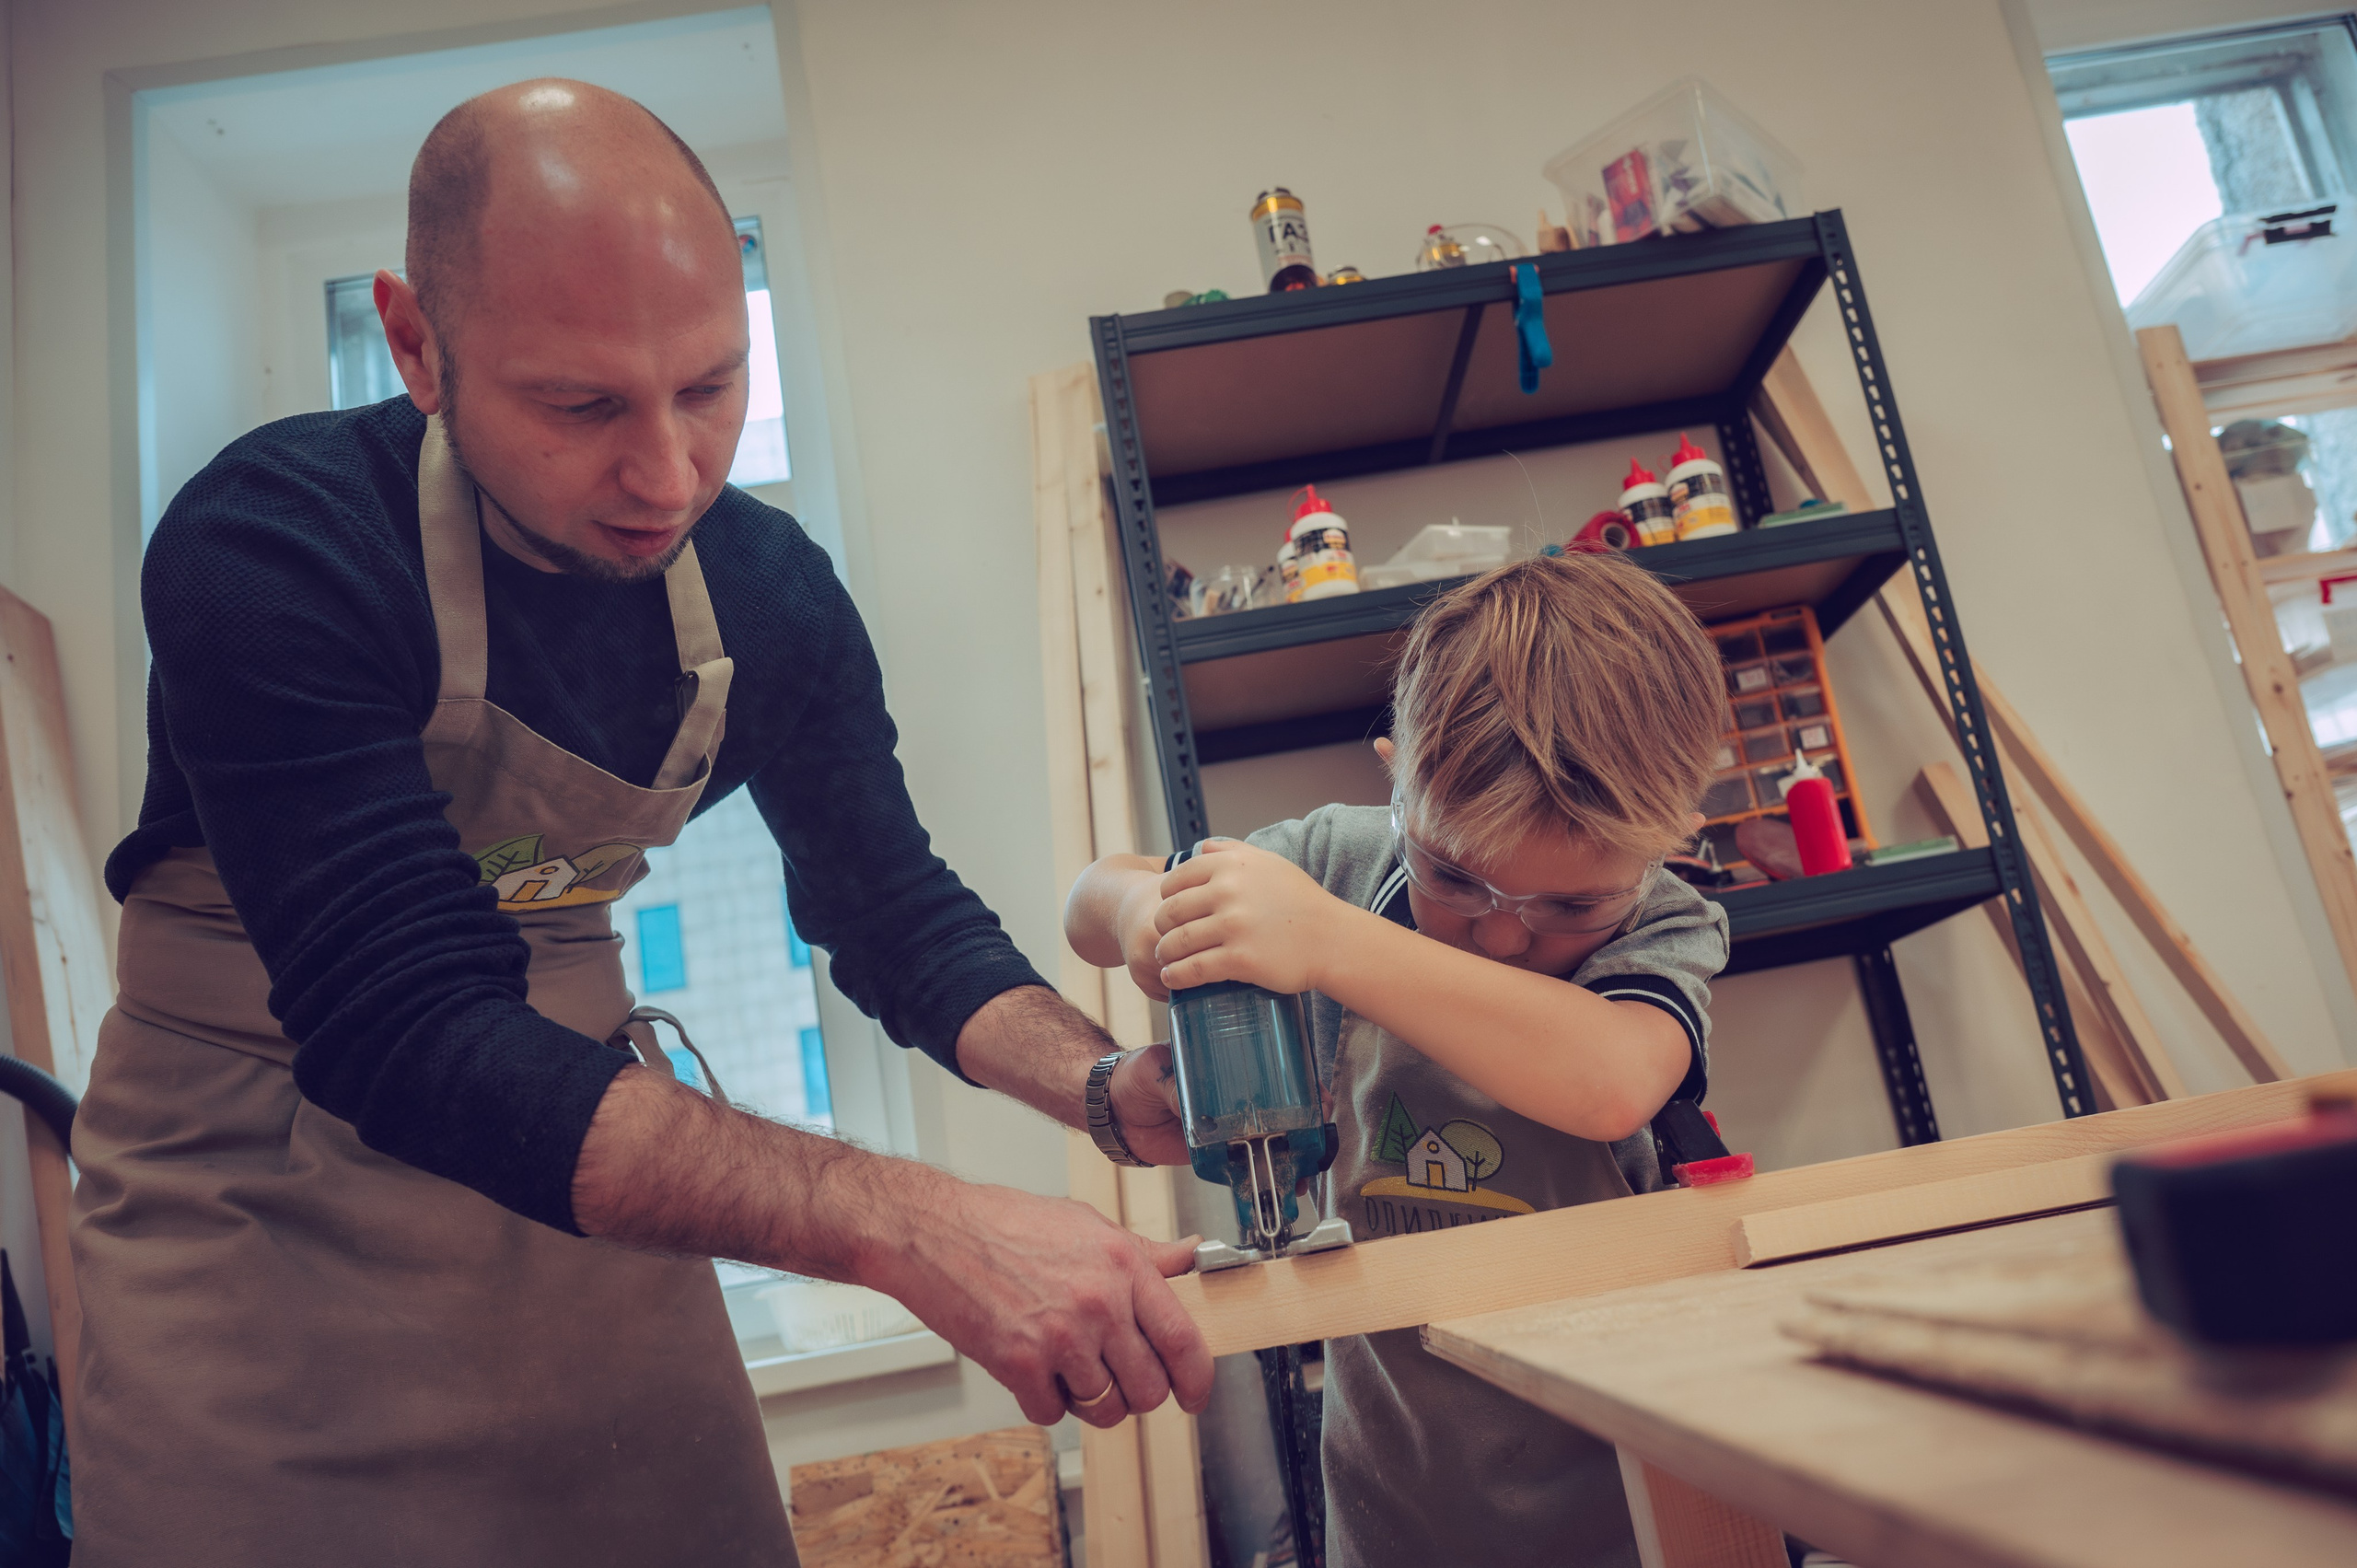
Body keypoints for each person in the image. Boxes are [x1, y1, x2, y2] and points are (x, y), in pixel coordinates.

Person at [67, 79, 1203, 1568]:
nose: (668, 475)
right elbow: (406, 1026)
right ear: (415, 342)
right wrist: (917, 1224)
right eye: (582, 404)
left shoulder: (770, 595)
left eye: (713, 386)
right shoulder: (274, 542)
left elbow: (893, 910)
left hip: (582, 1199)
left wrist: (1108, 1084)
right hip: (251, 1189)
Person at [1065, 550, 1733, 1568]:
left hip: (1637, 1507)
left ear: (1671, 836)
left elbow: (1608, 1079)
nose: (1504, 936)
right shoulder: (1340, 860)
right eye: (1454, 876)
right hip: (1395, 1509)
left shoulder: (1664, 924)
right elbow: (1088, 901)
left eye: (1567, 906)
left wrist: (1328, 939)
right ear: (1396, 778)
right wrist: (1149, 911)